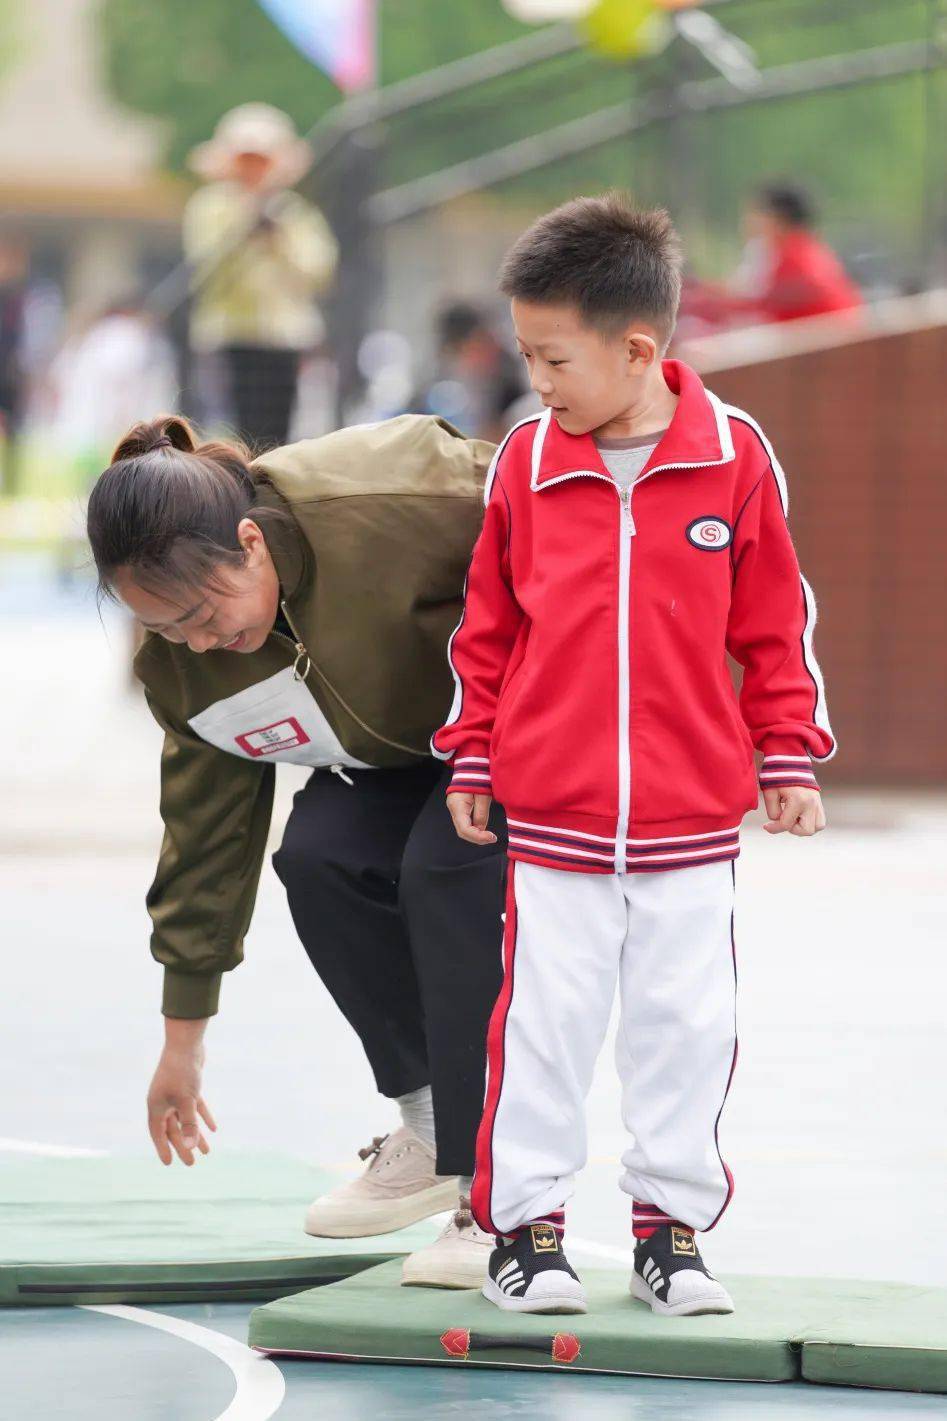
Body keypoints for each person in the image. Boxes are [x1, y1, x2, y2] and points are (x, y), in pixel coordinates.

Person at [434, 194, 835, 1317]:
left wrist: (786, 755)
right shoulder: (524, 458)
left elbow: (770, 622)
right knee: (543, 1025)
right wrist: (471, 756)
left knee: (684, 1026)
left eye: (551, 356)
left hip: (689, 825)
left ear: (637, 349)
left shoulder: (732, 456)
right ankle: (527, 1229)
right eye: (525, 354)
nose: (536, 377)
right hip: (552, 819)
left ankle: (669, 1234)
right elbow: (487, 626)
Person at [85, 412, 508, 1288]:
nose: (199, 643)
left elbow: (567, 512)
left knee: (443, 869)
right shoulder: (187, 668)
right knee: (318, 857)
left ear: (249, 542)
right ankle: (433, 1129)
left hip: (520, 715)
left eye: (203, 613)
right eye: (167, 631)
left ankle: (497, 1188)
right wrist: (182, 1038)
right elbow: (207, 840)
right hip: (403, 752)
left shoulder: (395, 492)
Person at [184, 104, 338, 448]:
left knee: (277, 434)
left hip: (284, 338)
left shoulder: (293, 214)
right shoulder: (211, 207)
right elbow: (205, 269)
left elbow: (318, 271)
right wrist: (245, 227)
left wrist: (277, 240)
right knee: (228, 430)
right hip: (228, 334)